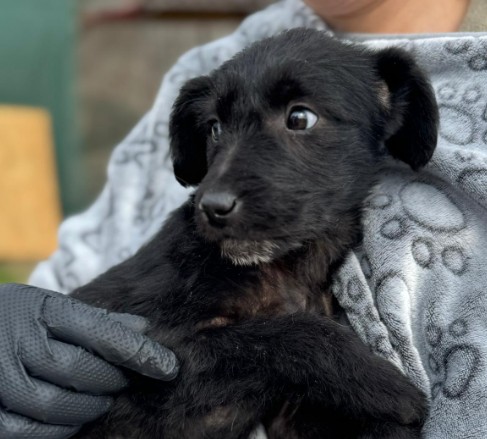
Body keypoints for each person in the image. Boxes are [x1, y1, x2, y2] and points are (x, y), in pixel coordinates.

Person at [1, 0, 485, 437]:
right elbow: (113, 337)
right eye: (215, 128)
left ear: (394, 109)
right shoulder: (211, 64)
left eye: (298, 119)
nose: (214, 194)